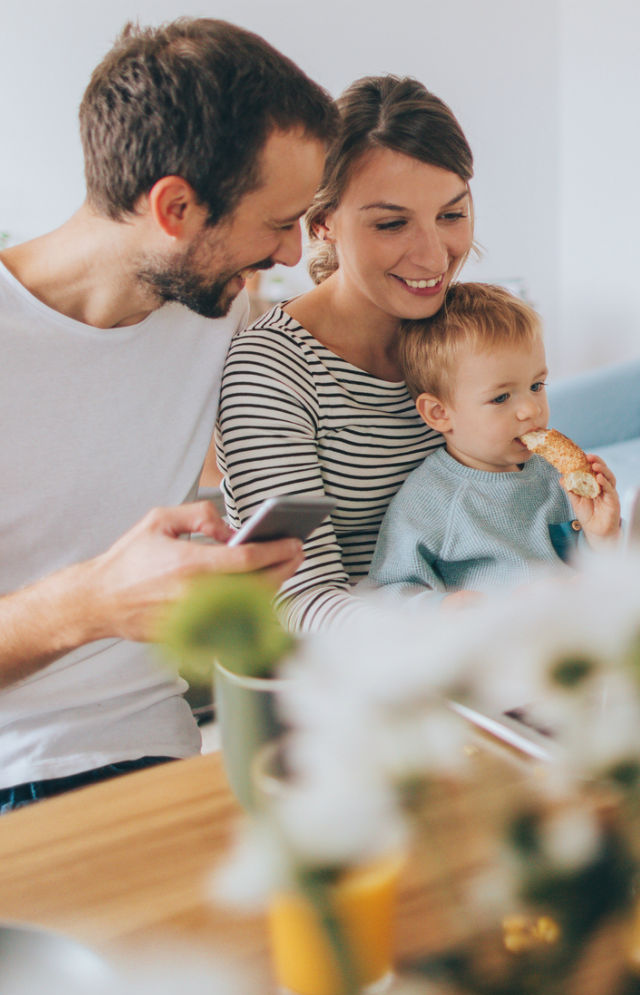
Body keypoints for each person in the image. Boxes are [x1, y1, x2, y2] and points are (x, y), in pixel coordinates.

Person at [0, 18, 336, 863]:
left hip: (145, 768)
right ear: (175, 208)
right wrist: (92, 603)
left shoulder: (220, 316)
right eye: (279, 222)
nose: (292, 251)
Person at [215, 75, 475, 633]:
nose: (434, 256)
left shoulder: (468, 333)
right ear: (323, 224)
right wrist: (444, 624)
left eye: (451, 215)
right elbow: (299, 600)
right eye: (391, 223)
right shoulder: (272, 370)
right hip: (356, 677)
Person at [365, 283, 621, 606]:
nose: (531, 409)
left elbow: (602, 574)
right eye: (501, 397)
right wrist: (444, 608)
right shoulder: (430, 499)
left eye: (536, 385)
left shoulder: (555, 477)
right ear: (440, 413)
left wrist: (601, 536)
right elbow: (389, 592)